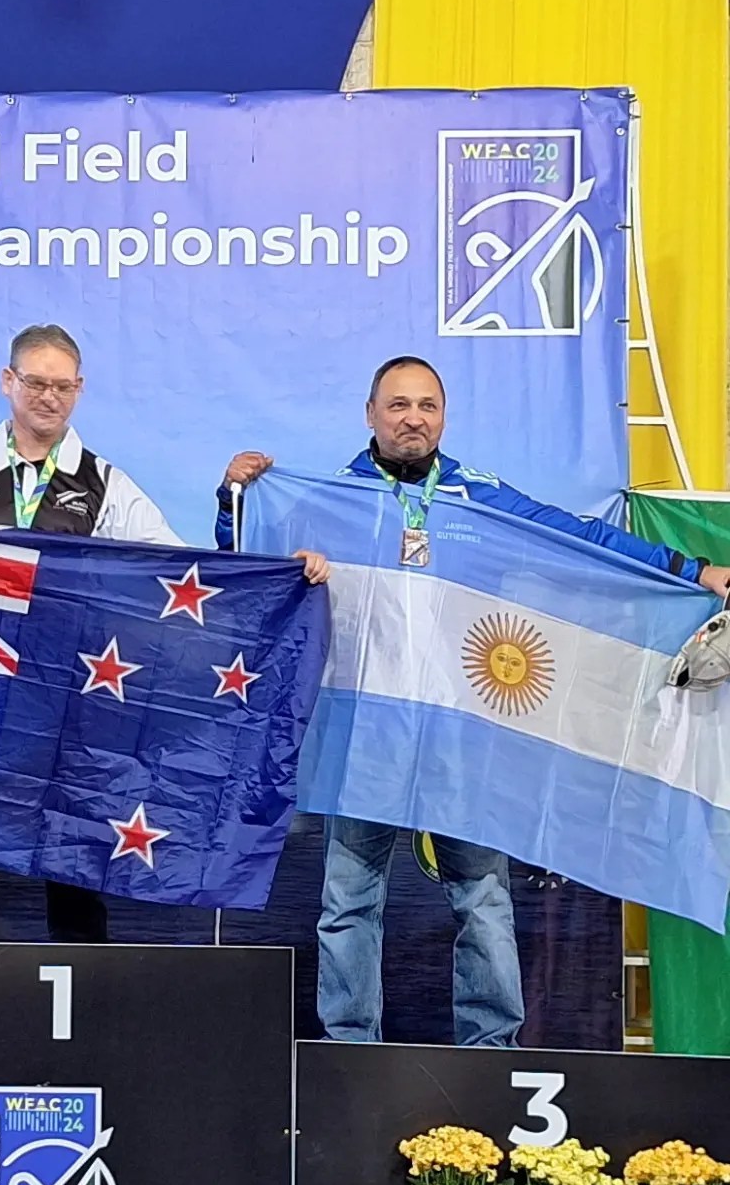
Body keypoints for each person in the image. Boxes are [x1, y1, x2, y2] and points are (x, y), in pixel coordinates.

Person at [214, 354, 730, 1047]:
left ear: (444, 417)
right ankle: (349, 1049)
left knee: (483, 899)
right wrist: (234, 498)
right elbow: (252, 562)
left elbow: (580, 540)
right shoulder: (328, 502)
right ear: (371, 414)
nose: (413, 419)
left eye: (427, 405)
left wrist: (692, 569)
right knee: (348, 901)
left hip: (465, 733)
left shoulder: (478, 497)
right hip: (366, 736)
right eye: (398, 405)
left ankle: (491, 1051)